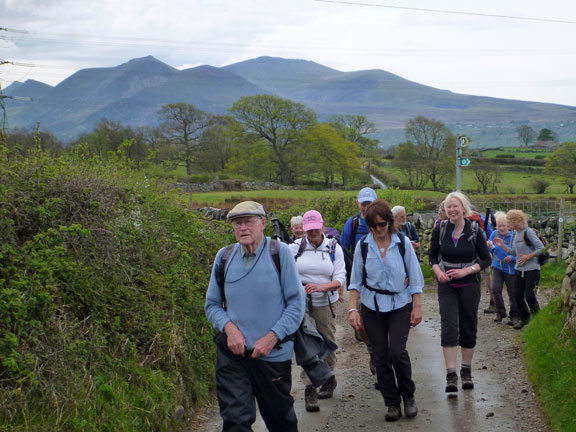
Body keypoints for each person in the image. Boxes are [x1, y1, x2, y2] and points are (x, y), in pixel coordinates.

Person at [205, 201, 306, 432]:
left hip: (272, 356)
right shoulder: (224, 257)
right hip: (233, 357)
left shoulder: (279, 254)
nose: (242, 228)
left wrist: (272, 337)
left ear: (262, 223)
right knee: (235, 421)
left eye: (248, 222)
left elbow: (296, 304)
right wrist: (229, 329)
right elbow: (212, 305)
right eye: (237, 224)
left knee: (281, 421)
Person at [348, 199, 424, 421]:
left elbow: (416, 279)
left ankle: (408, 396)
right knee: (380, 356)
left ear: (389, 223)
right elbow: (355, 282)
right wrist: (353, 309)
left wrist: (417, 307)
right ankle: (391, 402)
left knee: (397, 352)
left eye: (382, 225)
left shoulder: (402, 244)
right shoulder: (363, 246)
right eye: (373, 226)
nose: (378, 230)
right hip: (372, 306)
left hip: (400, 303)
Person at [429, 192, 492, 394]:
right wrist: (438, 272)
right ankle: (450, 375)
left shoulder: (475, 230)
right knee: (448, 326)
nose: (452, 210)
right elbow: (432, 257)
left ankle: (466, 371)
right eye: (448, 207)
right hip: (446, 285)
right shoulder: (440, 228)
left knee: (468, 325)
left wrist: (466, 270)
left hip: (469, 285)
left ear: (463, 208)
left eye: (455, 206)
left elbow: (486, 259)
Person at [289, 210, 346, 412]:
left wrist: (321, 287)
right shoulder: (294, 248)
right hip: (301, 303)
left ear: (322, 226)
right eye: (308, 229)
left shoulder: (333, 247)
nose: (312, 232)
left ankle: (329, 377)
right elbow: (284, 273)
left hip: (325, 301)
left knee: (328, 341)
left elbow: (341, 278)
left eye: (315, 228)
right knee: (306, 344)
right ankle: (310, 388)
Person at [493, 209, 545, 330]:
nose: (508, 225)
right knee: (517, 295)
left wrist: (528, 257)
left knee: (530, 296)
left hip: (532, 269)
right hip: (519, 269)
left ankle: (538, 320)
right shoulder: (516, 233)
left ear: (516, 221)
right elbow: (513, 252)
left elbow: (541, 248)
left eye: (509, 222)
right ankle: (525, 318)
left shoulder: (528, 232)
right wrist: (502, 245)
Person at [486, 212, 518, 324]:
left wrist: (512, 258)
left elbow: (519, 252)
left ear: (508, 225)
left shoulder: (514, 235)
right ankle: (500, 312)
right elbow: (491, 249)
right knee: (495, 288)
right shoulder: (494, 234)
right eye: (499, 226)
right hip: (497, 266)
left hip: (511, 268)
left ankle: (514, 315)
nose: (501, 228)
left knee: (513, 292)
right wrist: (489, 247)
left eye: (504, 225)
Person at [340, 187, 378, 254]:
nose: (366, 209)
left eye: (370, 204)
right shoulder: (353, 223)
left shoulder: (383, 222)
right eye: (363, 205)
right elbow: (343, 249)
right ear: (358, 203)